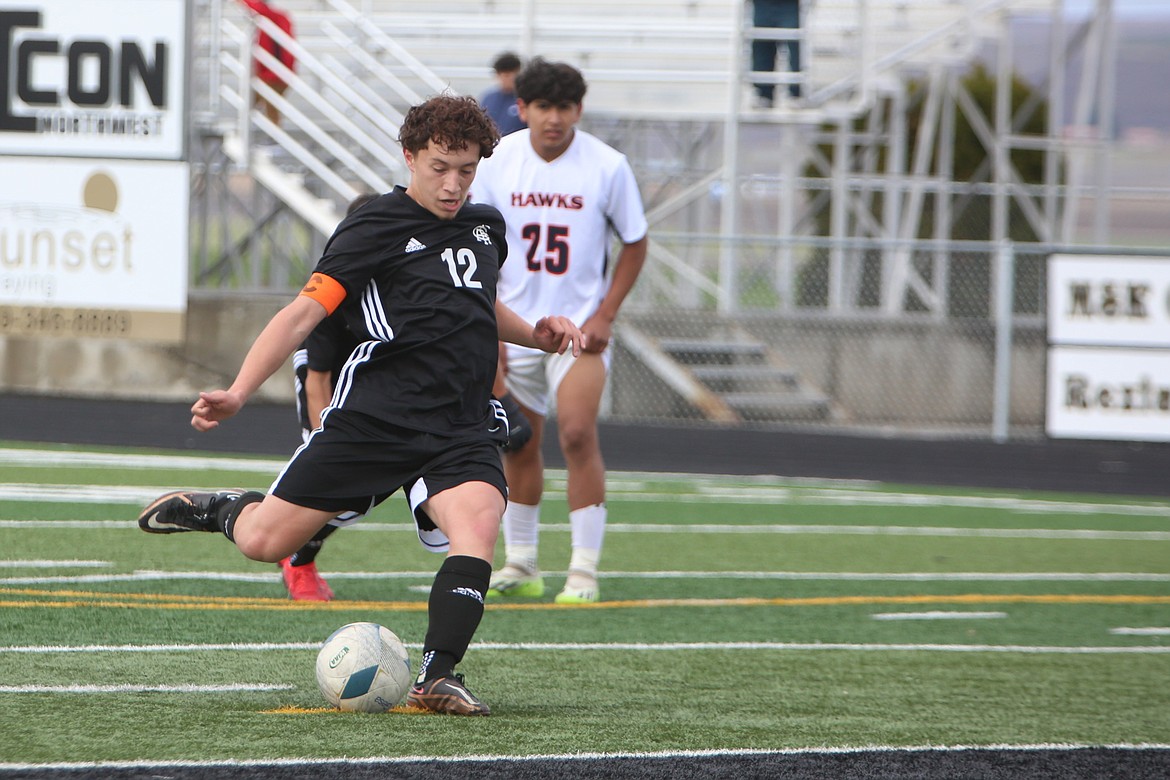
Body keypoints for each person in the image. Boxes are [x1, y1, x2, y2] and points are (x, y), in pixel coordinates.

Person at [136, 94, 585, 716]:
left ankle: (439, 676)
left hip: (459, 424)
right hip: (377, 418)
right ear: (408, 157)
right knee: (266, 542)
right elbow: (301, 314)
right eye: (438, 168)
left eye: (467, 169)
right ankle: (221, 509)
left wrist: (537, 333)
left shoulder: (485, 227)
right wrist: (239, 390)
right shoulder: (373, 225)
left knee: (479, 523)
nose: (453, 184)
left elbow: (475, 303)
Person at [471, 58, 648, 605]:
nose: (553, 118)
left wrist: (605, 315)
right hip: (518, 326)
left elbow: (635, 242)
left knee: (575, 433)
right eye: (542, 106)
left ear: (579, 110)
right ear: (520, 108)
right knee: (518, 444)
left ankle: (584, 570)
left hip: (578, 331)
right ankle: (522, 564)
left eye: (564, 107)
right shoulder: (498, 163)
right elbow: (481, 251)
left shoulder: (607, 165)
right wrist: (493, 330)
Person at [280, 193, 377, 602]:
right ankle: (296, 555)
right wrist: (326, 440)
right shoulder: (334, 285)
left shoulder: (408, 272)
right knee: (332, 478)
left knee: (368, 485)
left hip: (371, 380)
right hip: (327, 379)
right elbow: (318, 377)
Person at [238, 0, 296, 126]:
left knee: (268, 108)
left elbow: (256, 7)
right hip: (276, 72)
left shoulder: (271, 17)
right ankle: (246, 132)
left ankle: (273, 139)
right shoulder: (281, 17)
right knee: (255, 104)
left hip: (273, 73)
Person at [751, 0, 801, 108]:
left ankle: (795, 93)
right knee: (762, 44)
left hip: (790, 4)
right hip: (762, 4)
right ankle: (764, 93)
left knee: (795, 45)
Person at [478, 52, 526, 136]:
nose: (508, 79)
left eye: (512, 75)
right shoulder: (488, 98)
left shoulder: (526, 99)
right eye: (505, 75)